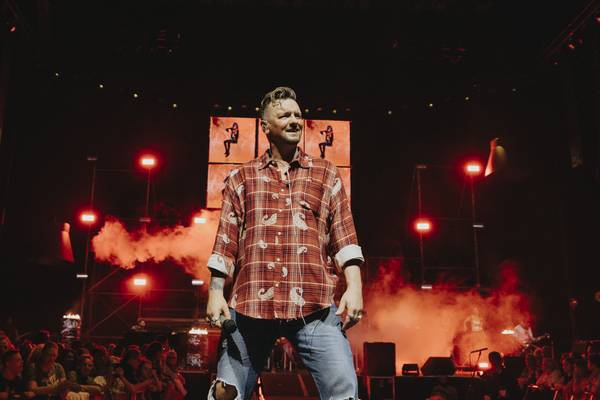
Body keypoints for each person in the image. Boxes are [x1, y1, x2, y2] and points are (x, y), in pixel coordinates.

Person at [206, 86, 364, 400]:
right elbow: (225, 240)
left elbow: (344, 235)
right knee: (226, 393)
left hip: (314, 306)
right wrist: (215, 292)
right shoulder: (241, 177)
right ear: (265, 126)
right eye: (284, 115)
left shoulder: (326, 173)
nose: (294, 120)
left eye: (297, 115)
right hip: (250, 306)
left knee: (344, 391)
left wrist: (355, 286)